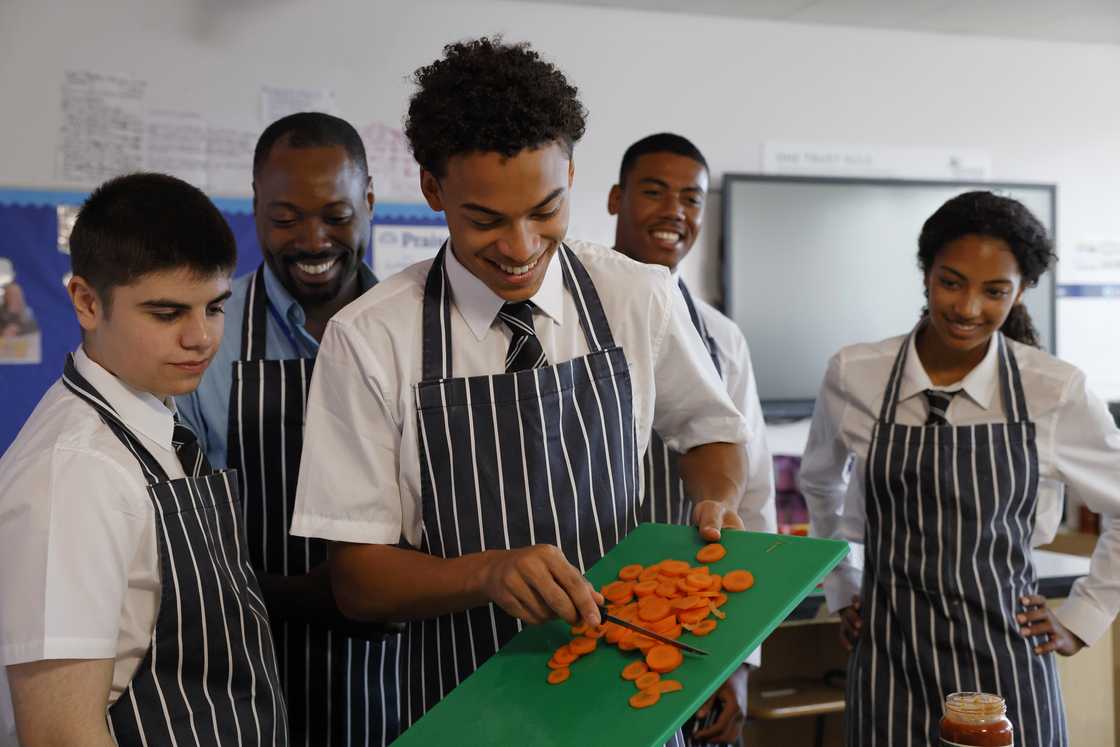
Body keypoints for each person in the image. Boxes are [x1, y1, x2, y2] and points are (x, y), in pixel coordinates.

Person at [290, 38, 752, 744]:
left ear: (570, 174)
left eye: (545, 210)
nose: (520, 246)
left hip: (630, 686)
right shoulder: (370, 338)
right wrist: (487, 574)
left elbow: (710, 431)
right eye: (486, 220)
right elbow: (357, 580)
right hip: (466, 698)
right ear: (433, 190)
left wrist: (716, 497)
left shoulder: (636, 296)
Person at [799, 190, 1120, 745]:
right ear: (926, 273)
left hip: (1008, 665)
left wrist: (1084, 617)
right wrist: (843, 584)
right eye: (952, 282)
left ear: (1021, 291)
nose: (968, 308)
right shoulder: (855, 374)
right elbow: (820, 482)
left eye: (994, 291)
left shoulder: (1053, 390)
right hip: (889, 661)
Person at [0, 173, 287, 746]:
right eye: (166, 313)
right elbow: (60, 734)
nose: (200, 337)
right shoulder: (76, 473)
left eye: (214, 307)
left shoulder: (154, 422)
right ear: (86, 302)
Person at [177, 112, 398, 745]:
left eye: (336, 215)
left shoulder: (412, 330)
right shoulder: (205, 338)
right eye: (285, 219)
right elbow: (176, 539)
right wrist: (306, 595)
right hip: (246, 668)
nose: (313, 240)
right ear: (254, 209)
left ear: (370, 202)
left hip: (400, 675)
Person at [609, 132, 775, 745]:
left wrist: (739, 662)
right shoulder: (569, 318)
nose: (674, 211)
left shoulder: (722, 338)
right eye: (654, 192)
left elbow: (754, 496)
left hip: (696, 618)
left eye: (691, 198)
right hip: (585, 603)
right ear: (615, 198)